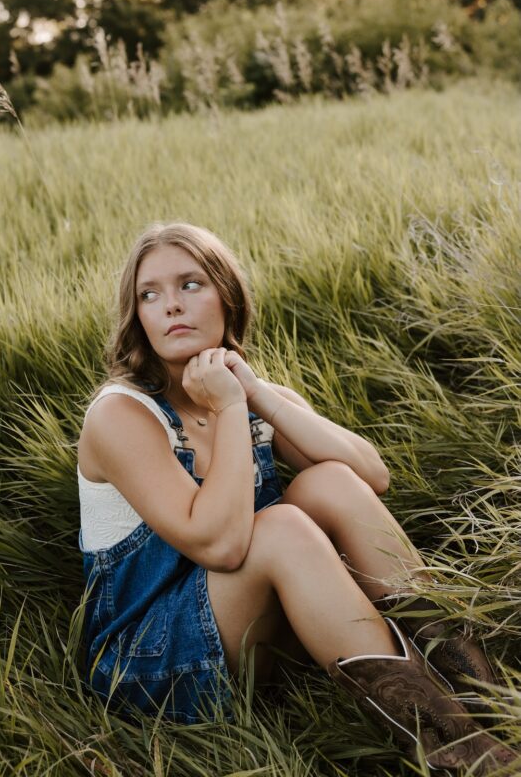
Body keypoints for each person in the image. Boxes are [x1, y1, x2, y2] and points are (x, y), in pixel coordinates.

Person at [76, 222, 519, 773]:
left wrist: (257, 394)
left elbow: (367, 474)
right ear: (137, 317)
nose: (170, 306)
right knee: (281, 526)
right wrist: (231, 411)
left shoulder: (245, 396)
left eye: (190, 284)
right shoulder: (120, 415)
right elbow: (221, 545)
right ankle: (462, 752)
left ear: (226, 295)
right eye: (150, 294)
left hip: (251, 637)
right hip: (150, 664)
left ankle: (489, 700)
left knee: (325, 483)